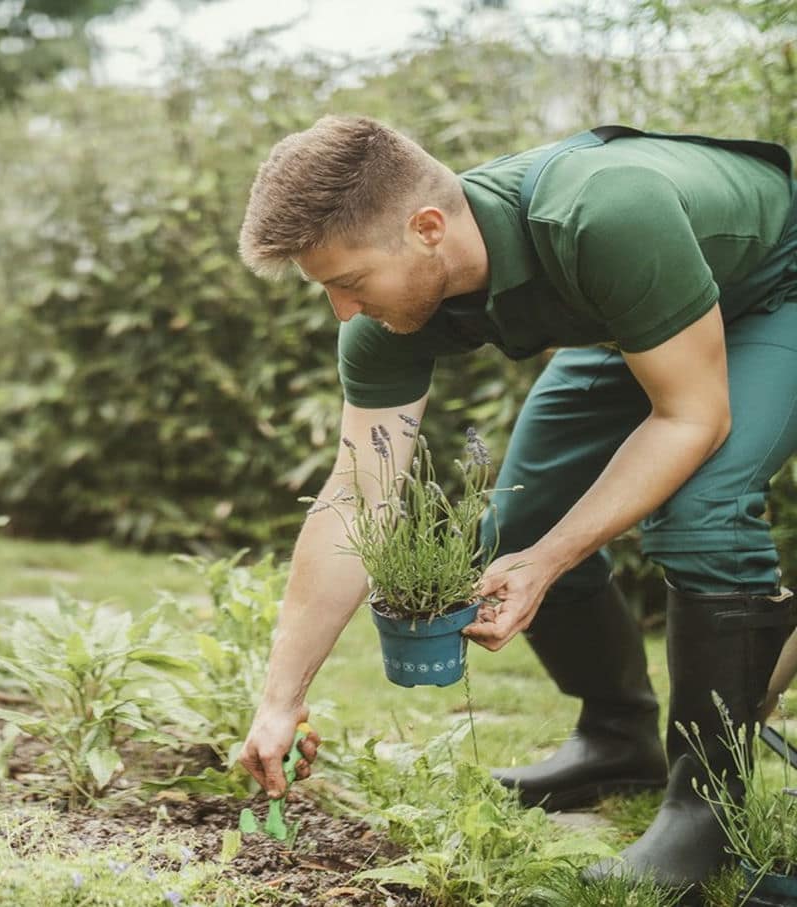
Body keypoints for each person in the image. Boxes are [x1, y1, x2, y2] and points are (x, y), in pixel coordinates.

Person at [235, 115, 797, 890]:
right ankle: (615, 735)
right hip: (639, 314)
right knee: (517, 522)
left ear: (427, 227)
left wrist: (549, 562)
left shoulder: (601, 212)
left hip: (776, 284)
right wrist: (280, 699)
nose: (340, 310)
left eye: (350, 282)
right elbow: (358, 495)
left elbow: (692, 417)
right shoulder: (382, 320)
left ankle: (706, 812)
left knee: (704, 507)